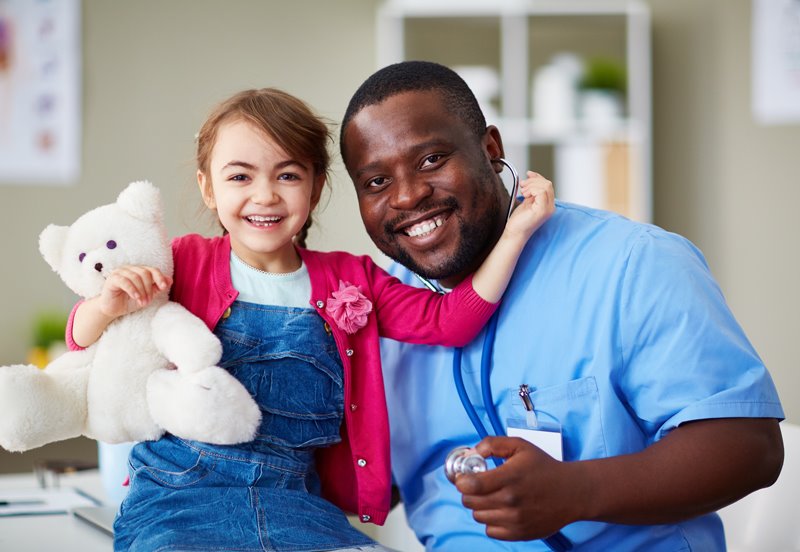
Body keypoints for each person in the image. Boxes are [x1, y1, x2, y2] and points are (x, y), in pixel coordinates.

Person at [67, 88, 554, 552]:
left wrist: (515, 234)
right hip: (173, 505)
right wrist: (107, 307)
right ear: (208, 188)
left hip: (298, 506)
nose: (265, 196)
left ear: (316, 186)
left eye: (287, 175)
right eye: (240, 177)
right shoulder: (182, 262)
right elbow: (82, 341)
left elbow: (450, 321)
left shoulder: (353, 278)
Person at [339, 60, 785, 551]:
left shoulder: (632, 263)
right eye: (376, 182)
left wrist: (578, 491)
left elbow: (750, 448)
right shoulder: (372, 313)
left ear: (490, 150)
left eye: (432, 160)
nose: (408, 196)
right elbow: (365, 482)